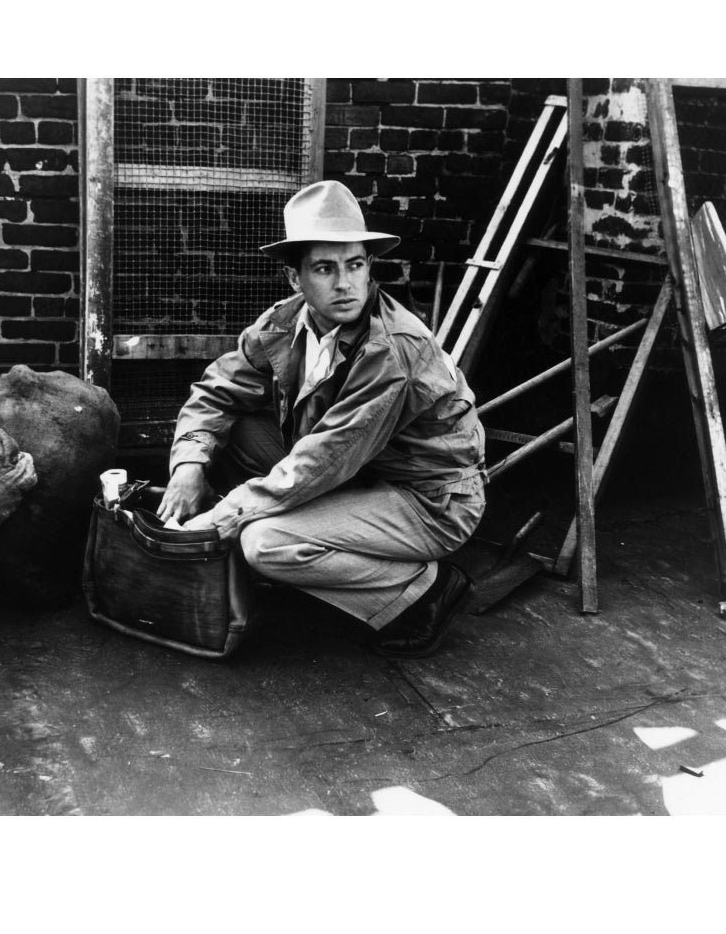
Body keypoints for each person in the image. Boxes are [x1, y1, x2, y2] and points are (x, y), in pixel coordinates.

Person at [156, 180, 487, 658]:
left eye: (356, 265)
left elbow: (325, 458)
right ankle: (320, 549)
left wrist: (217, 521)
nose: (345, 283)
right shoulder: (284, 321)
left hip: (430, 498)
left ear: (370, 267)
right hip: (363, 473)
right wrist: (189, 465)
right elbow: (217, 391)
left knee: (262, 543)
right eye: (325, 268)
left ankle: (422, 590)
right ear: (296, 279)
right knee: (229, 437)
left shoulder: (392, 348)